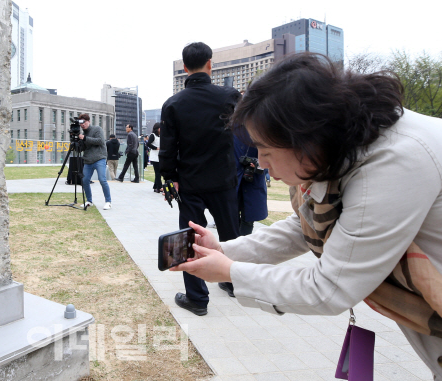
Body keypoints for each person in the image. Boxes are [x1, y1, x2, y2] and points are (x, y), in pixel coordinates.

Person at [173, 53, 442, 378]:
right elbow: (304, 227)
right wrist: (224, 251)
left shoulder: (394, 164)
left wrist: (231, 272)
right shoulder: (346, 146)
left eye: (267, 150)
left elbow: (329, 288)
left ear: (307, 138)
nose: (261, 163)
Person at [159, 42, 241, 316]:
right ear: (210, 64)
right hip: (224, 179)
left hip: (190, 181)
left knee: (190, 238)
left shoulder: (173, 104)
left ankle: (197, 299)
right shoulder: (229, 96)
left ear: (184, 67)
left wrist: (170, 178)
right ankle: (233, 283)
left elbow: (168, 149)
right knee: (230, 233)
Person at [218, 134, 268, 298]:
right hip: (232, 182)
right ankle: (231, 276)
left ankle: (235, 277)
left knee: (245, 224)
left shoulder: (259, 127)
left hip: (251, 180)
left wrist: (257, 163)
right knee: (233, 225)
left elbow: (270, 155)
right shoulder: (233, 129)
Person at [77, 113, 112, 210]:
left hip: (99, 158)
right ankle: (89, 201)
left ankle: (108, 202)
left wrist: (85, 138)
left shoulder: (97, 129)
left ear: (88, 121)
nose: (82, 125)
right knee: (85, 180)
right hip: (88, 160)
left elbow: (100, 141)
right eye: (81, 123)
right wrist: (78, 142)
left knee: (102, 179)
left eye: (84, 122)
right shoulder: (83, 134)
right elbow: (83, 148)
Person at [147, 123, 163, 193]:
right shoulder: (152, 135)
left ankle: (155, 186)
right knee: (158, 172)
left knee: (159, 172)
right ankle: (159, 187)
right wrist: (156, 148)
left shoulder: (161, 136)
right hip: (154, 156)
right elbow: (148, 144)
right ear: (157, 128)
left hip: (160, 156)